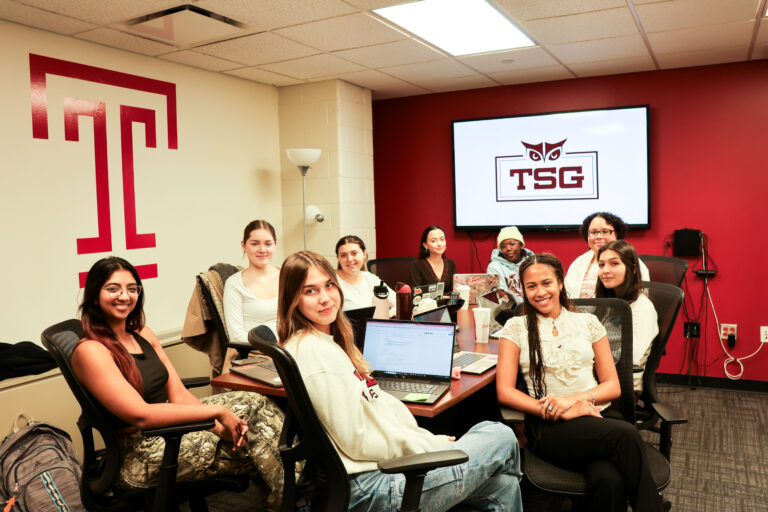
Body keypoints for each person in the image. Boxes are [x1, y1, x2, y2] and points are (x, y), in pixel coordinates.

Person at [277, 250, 523, 512]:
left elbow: (377, 408)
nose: (325, 298)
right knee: (500, 434)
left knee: (503, 486)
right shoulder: (316, 353)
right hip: (371, 486)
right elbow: (357, 439)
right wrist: (430, 447)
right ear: (293, 299)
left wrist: (428, 441)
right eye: (310, 291)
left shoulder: (326, 342)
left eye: (328, 285)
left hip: (378, 471)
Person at [72, 257, 287, 510]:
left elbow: (178, 395)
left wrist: (217, 428)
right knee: (262, 443)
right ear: (94, 297)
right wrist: (218, 413)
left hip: (169, 430)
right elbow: (141, 415)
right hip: (138, 454)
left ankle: (288, 499)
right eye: (113, 288)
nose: (124, 296)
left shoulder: (143, 334)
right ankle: (293, 500)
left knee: (256, 402)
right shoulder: (91, 351)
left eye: (132, 289)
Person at [496, 253, 662, 512]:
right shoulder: (515, 328)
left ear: (560, 283)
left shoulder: (589, 322)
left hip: (598, 417)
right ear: (524, 290)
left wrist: (571, 401)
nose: (540, 292)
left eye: (547, 283)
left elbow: (613, 386)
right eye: (531, 286)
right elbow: (505, 391)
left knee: (609, 479)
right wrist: (558, 410)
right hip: (549, 427)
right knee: (627, 434)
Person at [596, 240, 659, 393]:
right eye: (601, 265)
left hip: (623, 384)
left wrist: (589, 354)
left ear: (633, 269)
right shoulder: (610, 302)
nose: (605, 270)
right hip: (602, 375)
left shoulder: (641, 308)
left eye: (614, 263)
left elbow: (632, 356)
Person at [564, 212, 650, 299]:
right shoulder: (578, 262)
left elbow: (639, 297)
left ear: (617, 234)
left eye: (605, 232)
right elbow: (567, 295)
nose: (598, 236)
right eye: (593, 232)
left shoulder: (632, 262)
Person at [223, 220, 280, 342]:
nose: (262, 249)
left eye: (268, 244)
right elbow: (237, 337)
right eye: (255, 244)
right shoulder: (234, 284)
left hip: (294, 345)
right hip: (256, 350)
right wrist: (277, 346)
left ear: (275, 244)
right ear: (243, 245)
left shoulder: (287, 274)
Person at [335, 235, 396, 316]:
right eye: (343, 255)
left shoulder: (370, 278)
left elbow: (397, 301)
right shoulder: (332, 281)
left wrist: (386, 315)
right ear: (338, 258)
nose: (349, 259)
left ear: (364, 254)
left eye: (354, 253)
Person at [486, 226, 534, 304]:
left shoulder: (533, 263)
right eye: (503, 246)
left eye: (512, 244)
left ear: (521, 245)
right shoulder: (494, 266)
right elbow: (499, 295)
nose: (508, 249)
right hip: (508, 308)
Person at [409, 225, 458, 294]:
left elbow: (456, 290)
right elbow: (417, 294)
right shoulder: (417, 265)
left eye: (442, 239)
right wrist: (443, 297)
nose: (439, 244)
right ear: (425, 245)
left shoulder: (451, 264)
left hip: (450, 301)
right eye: (433, 241)